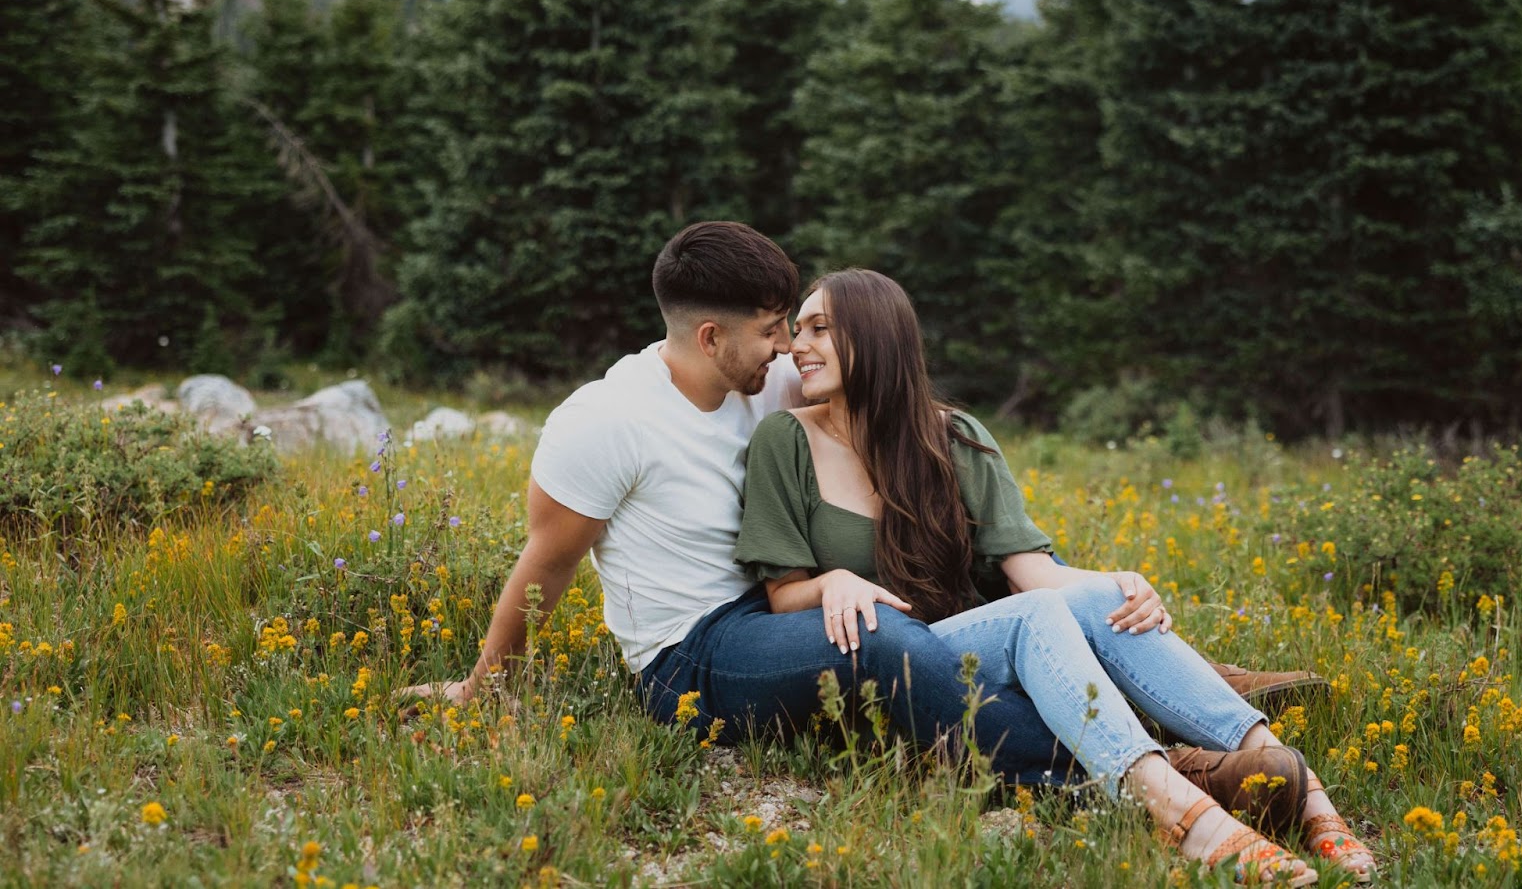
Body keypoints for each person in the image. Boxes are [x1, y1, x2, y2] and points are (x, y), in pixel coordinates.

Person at [398, 223, 1340, 859]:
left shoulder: (762, 381)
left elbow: (862, 383)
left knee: (993, 613)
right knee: (883, 640)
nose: (785, 350)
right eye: (771, 333)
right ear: (713, 333)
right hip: (694, 654)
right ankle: (1136, 773)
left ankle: (1189, 691)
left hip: (793, 610)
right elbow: (544, 566)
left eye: (791, 331)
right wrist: (485, 689)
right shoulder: (606, 420)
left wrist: (953, 442)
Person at [732, 269, 1377, 884]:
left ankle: (1311, 796)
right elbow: (784, 596)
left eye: (819, 329)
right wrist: (834, 580)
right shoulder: (785, 441)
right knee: (1037, 616)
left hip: (973, 643)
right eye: (798, 330)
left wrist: (1121, 585)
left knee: (1096, 595)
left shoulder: (950, 436)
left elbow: (1030, 570)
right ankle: (1191, 819)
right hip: (892, 666)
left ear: (873, 338)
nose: (797, 347)